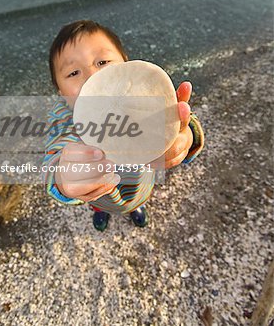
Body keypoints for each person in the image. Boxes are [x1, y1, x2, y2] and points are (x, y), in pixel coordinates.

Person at [42, 20, 204, 231]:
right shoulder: (65, 120)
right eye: (74, 73)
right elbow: (54, 157)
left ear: (127, 65)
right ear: (61, 93)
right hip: (100, 197)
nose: (93, 77)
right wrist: (64, 178)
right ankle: (102, 213)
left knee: (138, 201)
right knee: (99, 205)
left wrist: (185, 137)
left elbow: (181, 123)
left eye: (102, 62)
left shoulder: (145, 103)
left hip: (140, 188)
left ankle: (136, 208)